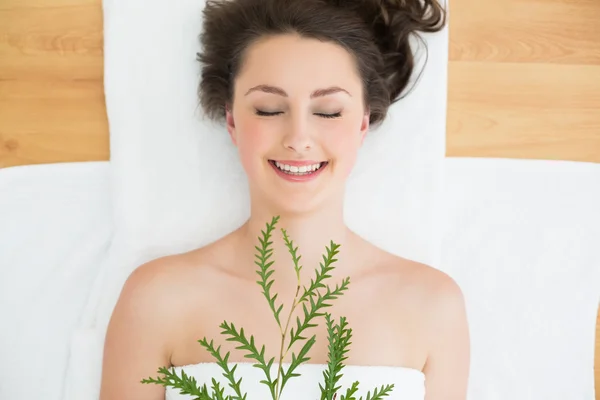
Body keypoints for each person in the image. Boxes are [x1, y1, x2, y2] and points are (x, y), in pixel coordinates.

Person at [100, 0, 470, 398]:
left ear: (363, 123)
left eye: (328, 111)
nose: (298, 138)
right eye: (269, 108)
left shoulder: (432, 305)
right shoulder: (157, 298)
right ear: (232, 121)